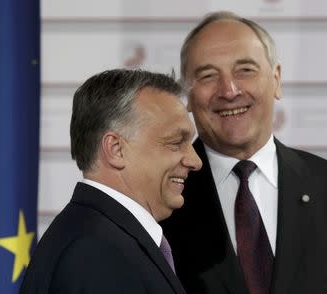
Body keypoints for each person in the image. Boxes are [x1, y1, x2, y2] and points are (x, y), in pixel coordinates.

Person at [161, 11, 327, 294]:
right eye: (207, 76)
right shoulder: (160, 198)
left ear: (276, 79)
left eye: (245, 70)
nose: (229, 91)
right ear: (188, 95)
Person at [20, 69, 202, 294]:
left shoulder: (95, 235)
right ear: (115, 149)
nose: (195, 161)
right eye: (176, 142)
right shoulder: (98, 251)